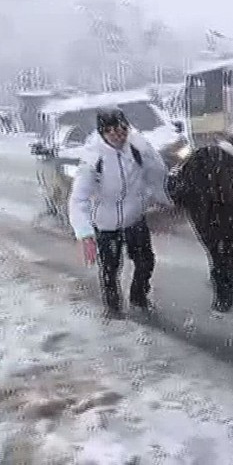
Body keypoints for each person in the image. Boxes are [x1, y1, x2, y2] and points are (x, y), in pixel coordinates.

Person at [68, 107, 170, 318]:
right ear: (102, 132)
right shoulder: (93, 159)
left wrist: (164, 199)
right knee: (110, 269)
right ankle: (113, 308)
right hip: (106, 224)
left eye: (122, 129)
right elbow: (79, 198)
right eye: (111, 131)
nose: (117, 135)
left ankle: (139, 298)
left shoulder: (137, 148)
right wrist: (85, 233)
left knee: (145, 262)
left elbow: (156, 175)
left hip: (135, 218)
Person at [167, 113, 233, 313]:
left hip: (218, 213)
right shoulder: (229, 157)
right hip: (209, 215)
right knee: (228, 256)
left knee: (227, 256)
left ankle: (222, 294)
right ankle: (222, 306)